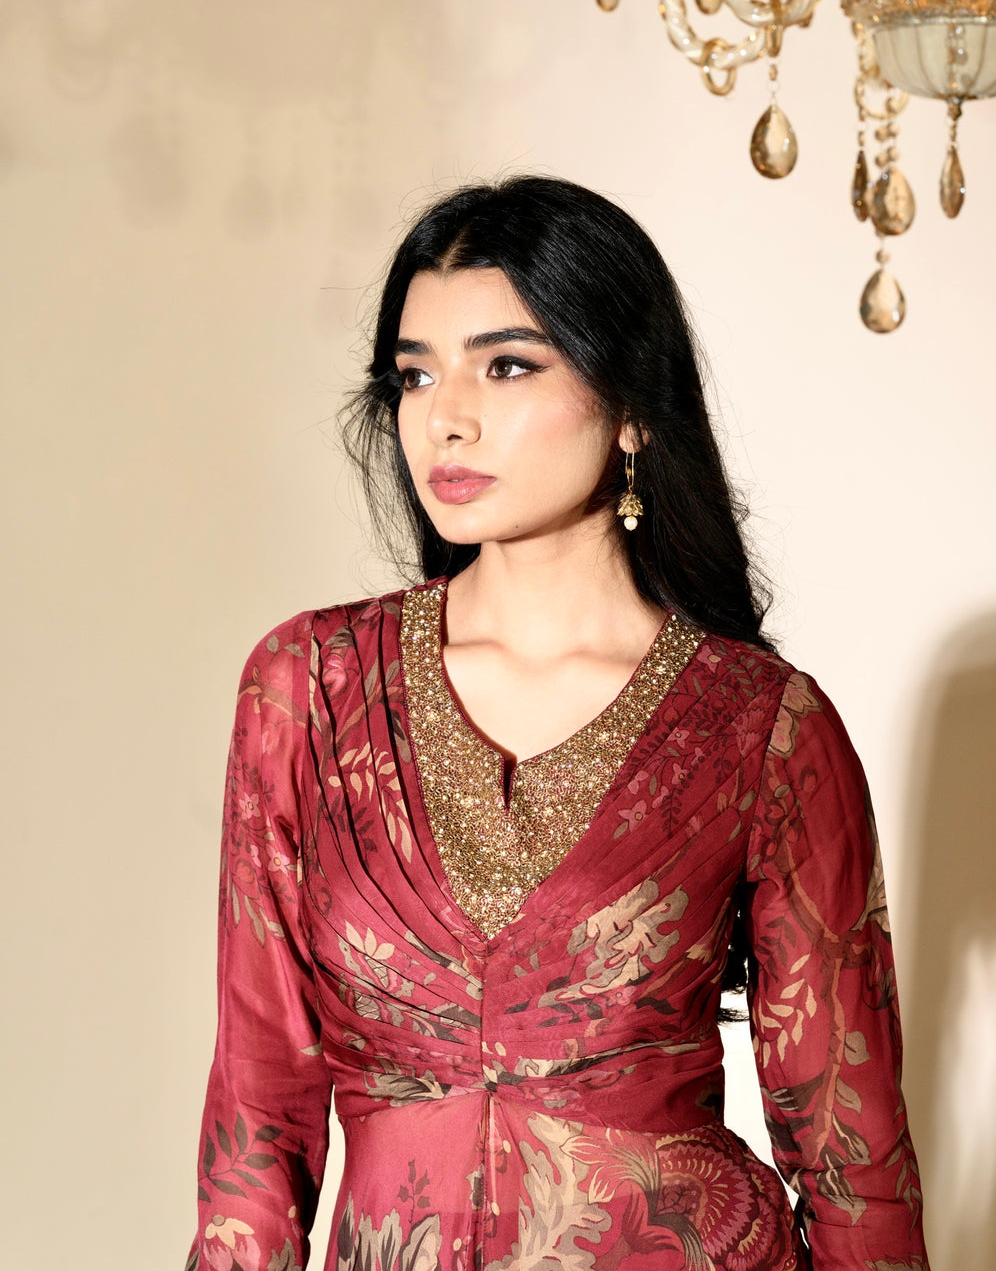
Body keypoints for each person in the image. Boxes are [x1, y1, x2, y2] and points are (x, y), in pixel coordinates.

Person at [186, 176, 928, 1271]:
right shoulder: (309, 689)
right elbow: (257, 1124)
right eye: (414, 374)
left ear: (631, 404)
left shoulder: (761, 728)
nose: (446, 416)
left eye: (506, 365)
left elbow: (852, 1161)